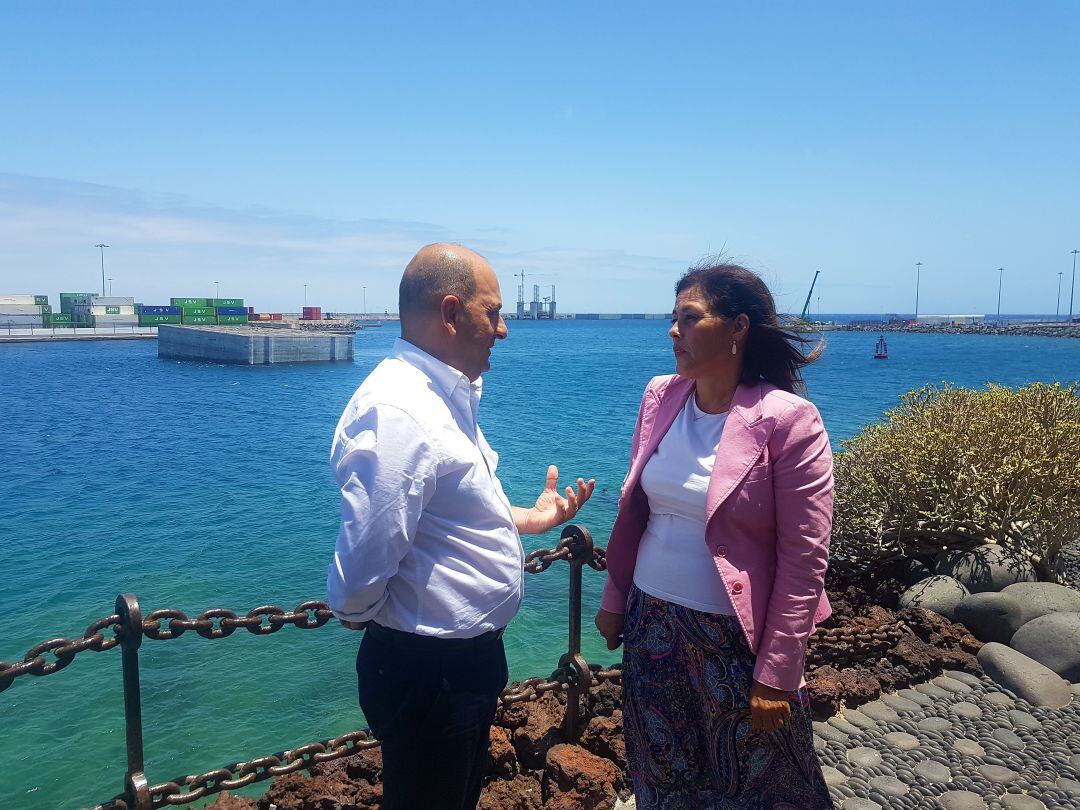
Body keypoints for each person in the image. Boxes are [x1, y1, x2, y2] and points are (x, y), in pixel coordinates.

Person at [326, 243, 594, 810]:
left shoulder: (443, 399)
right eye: (493, 313)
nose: (503, 330)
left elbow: (453, 514)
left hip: (459, 668)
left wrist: (533, 518)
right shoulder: (401, 412)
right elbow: (361, 567)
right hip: (429, 675)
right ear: (450, 314)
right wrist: (366, 618)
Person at [594, 260, 834, 809]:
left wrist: (777, 673)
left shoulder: (789, 420)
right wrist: (614, 599)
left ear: (737, 328)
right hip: (653, 623)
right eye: (672, 317)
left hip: (736, 640)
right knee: (664, 776)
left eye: (689, 317)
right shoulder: (661, 395)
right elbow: (635, 510)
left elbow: (804, 559)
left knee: (764, 789)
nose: (673, 331)